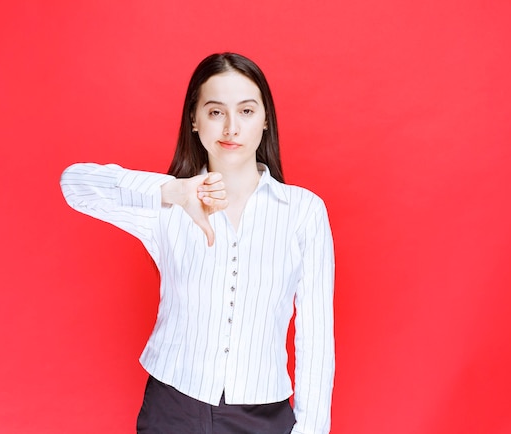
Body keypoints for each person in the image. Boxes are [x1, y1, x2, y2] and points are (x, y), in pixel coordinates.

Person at [60, 52, 335, 434]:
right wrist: (172, 191)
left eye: (246, 111)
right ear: (195, 119)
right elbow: (74, 184)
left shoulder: (303, 212)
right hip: (172, 408)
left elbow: (316, 336)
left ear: (266, 119)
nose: (231, 128)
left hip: (263, 417)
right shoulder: (168, 205)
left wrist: (312, 429)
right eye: (216, 112)